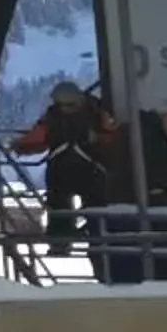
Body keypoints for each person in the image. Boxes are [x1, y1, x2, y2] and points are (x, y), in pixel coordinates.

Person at [13, 80, 118, 253]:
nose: (65, 109)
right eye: (62, 105)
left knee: (95, 209)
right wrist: (22, 145)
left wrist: (100, 141)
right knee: (58, 205)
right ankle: (61, 243)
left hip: (89, 169)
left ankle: (97, 242)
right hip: (64, 169)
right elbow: (39, 136)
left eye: (69, 105)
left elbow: (111, 136)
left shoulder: (96, 113)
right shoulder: (54, 116)